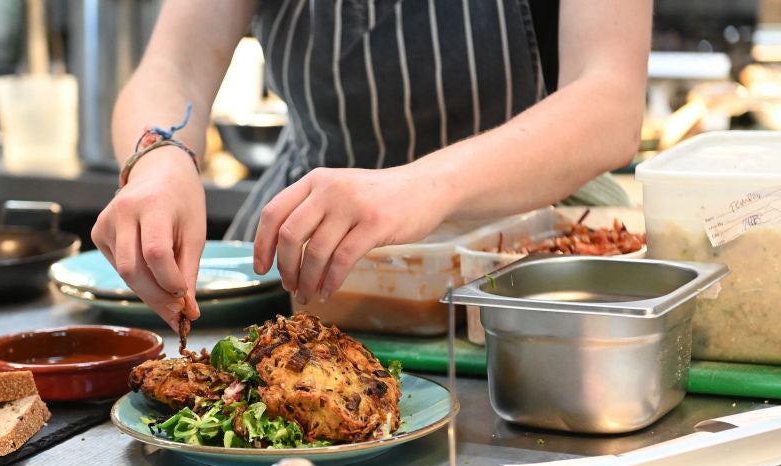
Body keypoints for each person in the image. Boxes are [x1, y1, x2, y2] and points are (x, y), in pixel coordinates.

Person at [91, 0, 652, 330]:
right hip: (301, 252)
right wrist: (158, 158)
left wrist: (424, 186)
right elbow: (175, 63)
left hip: (519, 256)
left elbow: (610, 101)